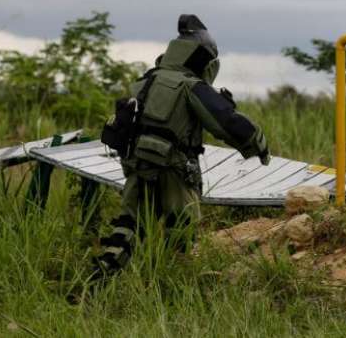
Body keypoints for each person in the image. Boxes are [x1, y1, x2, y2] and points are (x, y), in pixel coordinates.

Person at [94, 14, 270, 276]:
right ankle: (170, 282)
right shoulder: (191, 86)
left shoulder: (146, 80)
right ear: (202, 59)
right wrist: (259, 144)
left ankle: (100, 277)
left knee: (129, 225)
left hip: (137, 164)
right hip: (173, 168)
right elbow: (226, 121)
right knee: (182, 228)